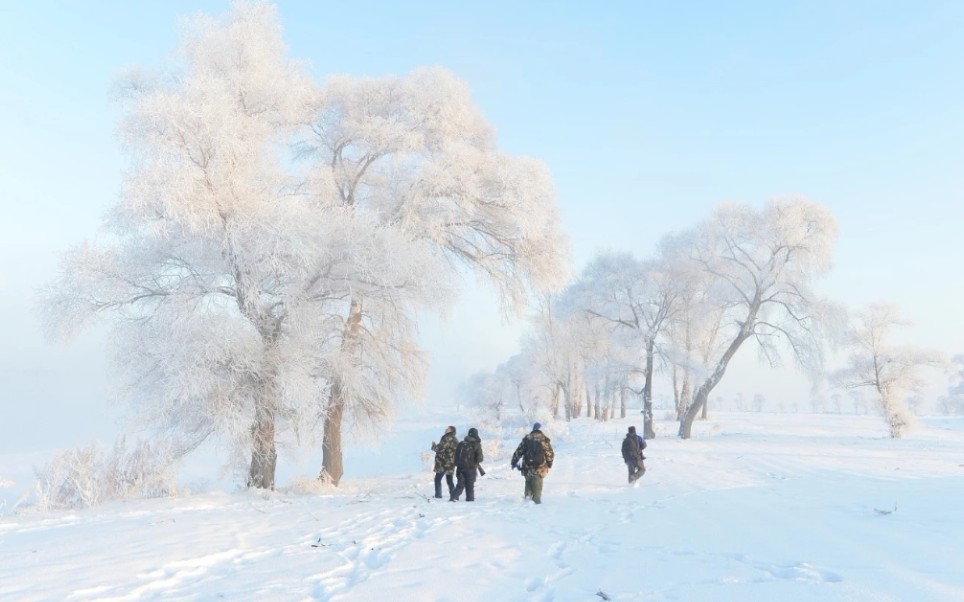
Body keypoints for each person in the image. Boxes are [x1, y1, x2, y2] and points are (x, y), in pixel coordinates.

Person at [511, 422, 554, 504]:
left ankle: (526, 507)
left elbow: (518, 452)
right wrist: (549, 463)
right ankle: (536, 510)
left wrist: (514, 462)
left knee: (528, 488)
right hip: (540, 469)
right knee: (537, 494)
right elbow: (550, 454)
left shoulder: (527, 439)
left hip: (527, 468)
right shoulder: (544, 440)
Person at [451, 427, 483, 502]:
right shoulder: (476, 444)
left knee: (460, 485)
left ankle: (453, 497)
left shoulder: (461, 443)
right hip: (470, 468)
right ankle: (470, 500)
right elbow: (480, 458)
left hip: (460, 468)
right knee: (469, 485)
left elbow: (455, 456)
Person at [430, 425, 458, 499]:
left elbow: (440, 448)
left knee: (437, 479)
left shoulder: (447, 438)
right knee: (449, 480)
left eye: (447, 429)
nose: (445, 429)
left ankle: (438, 495)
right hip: (451, 463)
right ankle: (454, 496)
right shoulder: (455, 439)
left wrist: (433, 446)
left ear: (451, 430)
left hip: (444, 463)